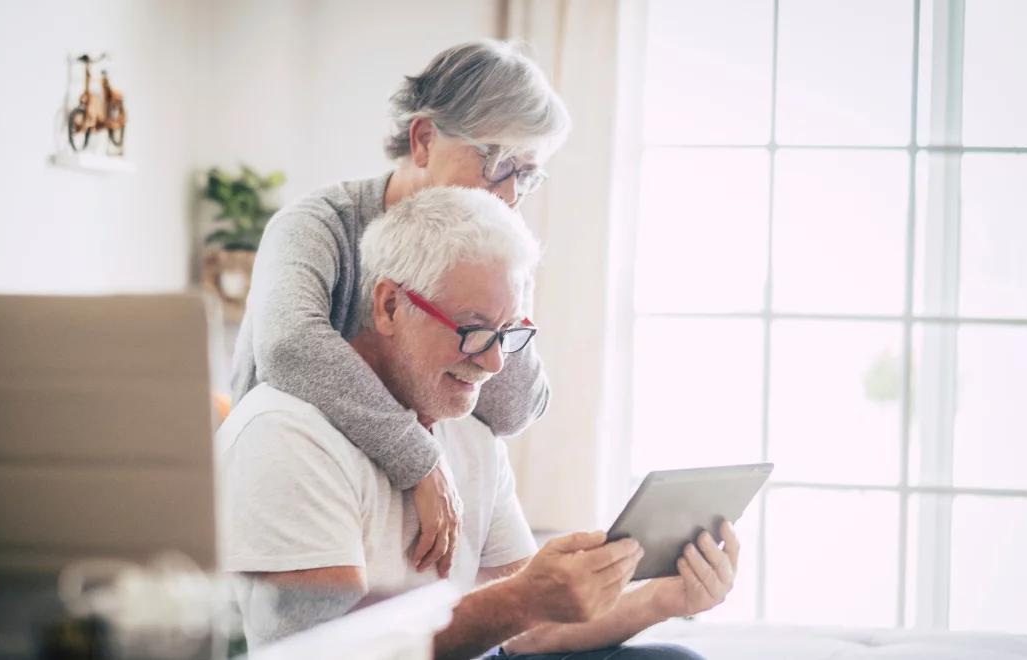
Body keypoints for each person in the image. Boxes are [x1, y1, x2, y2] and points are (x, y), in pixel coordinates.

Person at [220, 188, 737, 659]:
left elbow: (530, 631)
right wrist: (519, 600)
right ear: (389, 305)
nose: (494, 365)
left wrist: (662, 598)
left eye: (508, 333)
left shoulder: (464, 425)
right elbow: (332, 652)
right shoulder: (288, 435)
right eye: (473, 330)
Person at [230, 40, 570, 576]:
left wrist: (501, 279)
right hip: (297, 505)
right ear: (424, 139)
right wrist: (419, 456)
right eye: (497, 162)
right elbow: (288, 345)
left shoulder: (495, 241)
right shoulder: (316, 225)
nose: (509, 194)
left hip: (404, 534)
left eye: (526, 175)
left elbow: (511, 409)